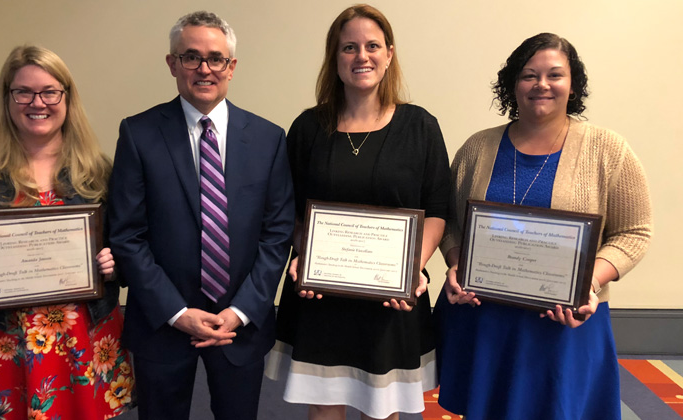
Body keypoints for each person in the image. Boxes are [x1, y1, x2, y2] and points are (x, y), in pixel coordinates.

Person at [434, 33, 652, 419]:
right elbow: (450, 220)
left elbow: (634, 233)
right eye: (529, 75)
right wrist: (455, 262)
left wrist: (590, 282)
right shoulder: (476, 148)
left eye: (555, 75)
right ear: (512, 84)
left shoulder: (608, 149)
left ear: (573, 84)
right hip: (486, 317)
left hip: (564, 322)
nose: (542, 85)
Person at [264, 5, 451, 420]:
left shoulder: (420, 127)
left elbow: (438, 210)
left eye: (371, 46)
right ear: (335, 58)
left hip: (391, 300)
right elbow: (288, 211)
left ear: (389, 54)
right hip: (322, 296)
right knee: (324, 407)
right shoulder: (308, 128)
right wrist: (303, 256)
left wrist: (411, 270)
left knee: (383, 409)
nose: (361, 56)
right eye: (349, 47)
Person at [107, 10, 295, 420]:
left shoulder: (268, 139)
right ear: (172, 64)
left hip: (239, 325)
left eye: (216, 58)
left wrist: (241, 311)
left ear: (232, 67)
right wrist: (177, 313)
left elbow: (277, 235)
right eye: (191, 57)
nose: (204, 69)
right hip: (163, 321)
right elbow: (126, 235)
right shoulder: (138, 134)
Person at [0, 45, 134, 419]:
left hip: (84, 329)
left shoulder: (100, 171)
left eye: (49, 91)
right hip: (7, 335)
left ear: (66, 98)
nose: (36, 102)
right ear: (7, 98)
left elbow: (128, 240)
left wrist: (115, 262)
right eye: (23, 91)